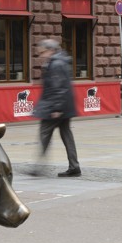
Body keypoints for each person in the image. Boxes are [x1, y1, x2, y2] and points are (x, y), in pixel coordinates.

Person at [31, 38, 81, 177]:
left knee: (44, 134)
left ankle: (38, 167)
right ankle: (74, 166)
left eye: (43, 52)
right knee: (66, 136)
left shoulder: (56, 64)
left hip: (55, 107)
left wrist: (56, 109)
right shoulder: (60, 61)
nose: (41, 56)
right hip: (64, 106)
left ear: (51, 50)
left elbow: (59, 87)